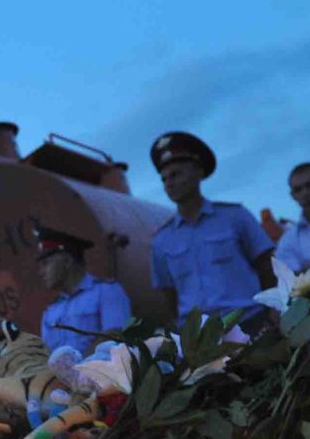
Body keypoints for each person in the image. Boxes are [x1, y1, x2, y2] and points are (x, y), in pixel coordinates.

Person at [148, 131, 275, 328]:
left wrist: (271, 312)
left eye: (176, 174)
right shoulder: (161, 241)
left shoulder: (235, 217)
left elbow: (267, 266)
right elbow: (169, 293)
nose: (169, 184)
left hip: (249, 323)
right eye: (164, 179)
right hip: (198, 337)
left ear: (198, 172)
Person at [35, 223, 131, 354]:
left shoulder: (107, 291)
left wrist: (78, 369)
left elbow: (115, 337)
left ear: (67, 261)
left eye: (46, 264)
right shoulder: (51, 311)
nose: (41, 272)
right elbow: (47, 356)